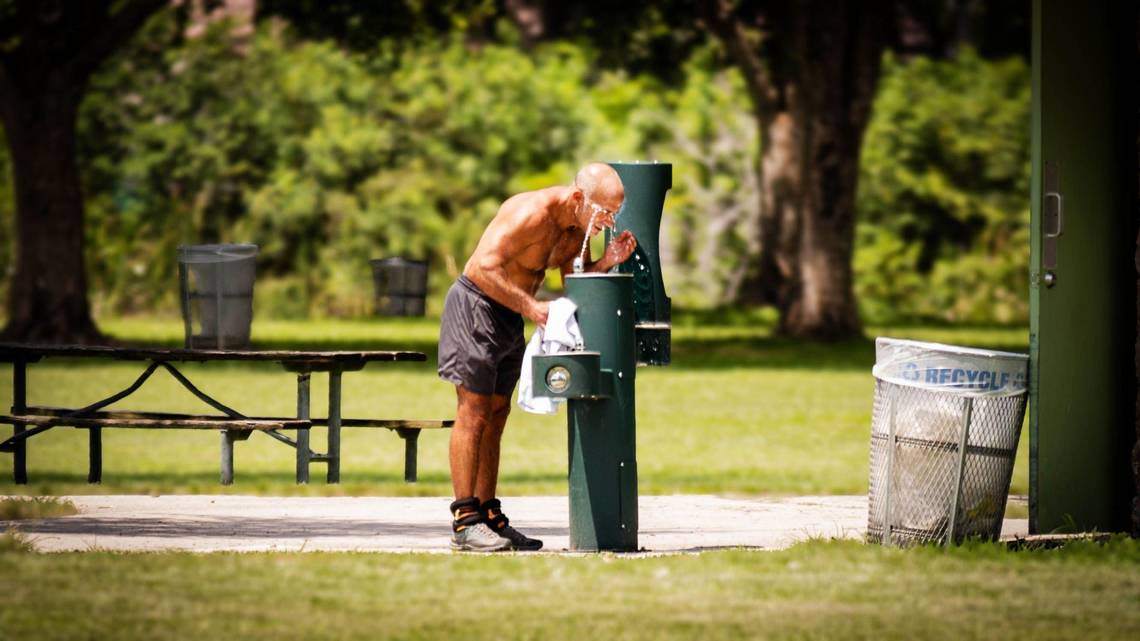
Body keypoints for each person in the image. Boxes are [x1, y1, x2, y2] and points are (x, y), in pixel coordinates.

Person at [437, 162, 637, 551]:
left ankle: (488, 514)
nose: (608, 221)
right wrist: (534, 309)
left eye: (615, 213)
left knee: (497, 414)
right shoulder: (529, 212)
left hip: (513, 312)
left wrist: (608, 261)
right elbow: (480, 268)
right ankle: (465, 521)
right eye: (604, 212)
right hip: (475, 306)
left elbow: (573, 281)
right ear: (579, 197)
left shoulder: (578, 228)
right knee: (473, 412)